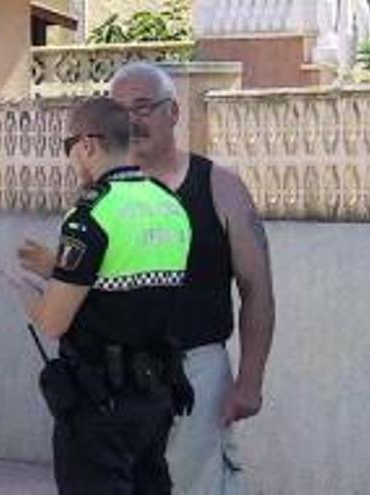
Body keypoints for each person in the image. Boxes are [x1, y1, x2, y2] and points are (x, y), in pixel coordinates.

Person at [19, 62, 275, 494]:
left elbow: (257, 290)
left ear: (173, 112)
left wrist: (250, 379)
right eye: (119, 110)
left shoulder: (219, 186)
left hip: (195, 371)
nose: (132, 120)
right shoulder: (97, 199)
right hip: (114, 387)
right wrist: (52, 269)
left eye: (143, 107)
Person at [6, 97, 193, 494]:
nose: (71, 160)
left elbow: (54, 321)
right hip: (156, 396)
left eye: (68, 148)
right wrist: (58, 267)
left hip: (100, 404)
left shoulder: (91, 215)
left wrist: (26, 293)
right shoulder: (170, 205)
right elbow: (129, 284)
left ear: (88, 144)